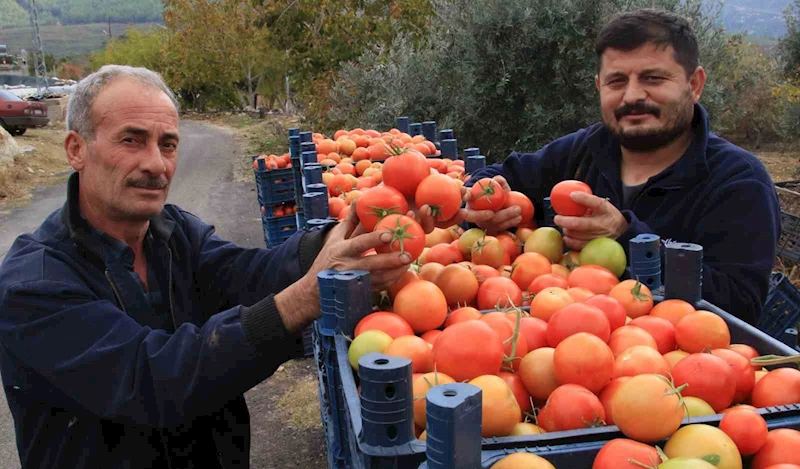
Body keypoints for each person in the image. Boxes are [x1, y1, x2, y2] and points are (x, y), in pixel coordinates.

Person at [0, 65, 412, 469]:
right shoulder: (34, 284)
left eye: (168, 144)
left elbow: (247, 274)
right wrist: (302, 298)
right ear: (77, 149)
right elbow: (150, 378)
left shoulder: (173, 232)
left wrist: (342, 237)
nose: (156, 165)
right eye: (131, 140)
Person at [463, 9, 780, 325]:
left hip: (667, 366)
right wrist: (482, 202)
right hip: (565, 338)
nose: (632, 95)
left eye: (653, 78)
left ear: (694, 85)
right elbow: (502, 174)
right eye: (617, 81)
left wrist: (627, 237)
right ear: (600, 86)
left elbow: (740, 306)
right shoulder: (586, 148)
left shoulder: (739, 182)